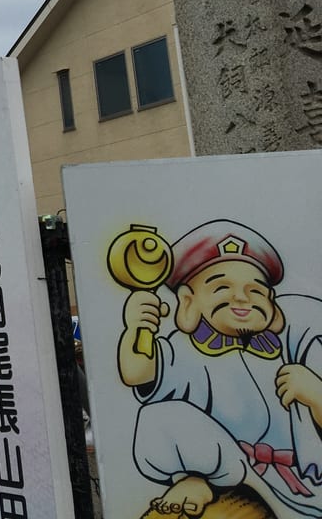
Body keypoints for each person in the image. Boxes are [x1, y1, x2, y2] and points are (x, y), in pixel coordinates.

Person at [118, 220, 322, 517]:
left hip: (301, 483)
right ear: (188, 303)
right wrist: (138, 328)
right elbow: (137, 372)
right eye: (222, 287)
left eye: (255, 290)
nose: (241, 298)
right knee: (160, 416)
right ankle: (194, 479)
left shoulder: (289, 349)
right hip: (230, 475)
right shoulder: (183, 352)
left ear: (272, 302)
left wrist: (315, 394)